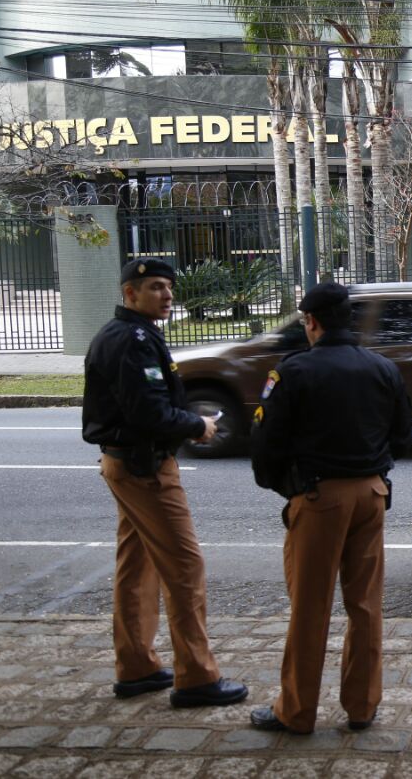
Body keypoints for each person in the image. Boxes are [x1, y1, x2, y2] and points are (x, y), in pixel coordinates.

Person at [82, 257, 249, 708]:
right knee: (184, 566)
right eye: (155, 287)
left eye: (169, 287)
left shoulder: (132, 335)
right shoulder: (132, 340)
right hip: (145, 469)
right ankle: (196, 677)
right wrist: (198, 426)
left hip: (128, 464)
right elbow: (148, 412)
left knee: (136, 566)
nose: (167, 295)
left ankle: (135, 667)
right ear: (129, 293)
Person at [248, 282, 412, 734]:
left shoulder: (293, 371)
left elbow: (266, 444)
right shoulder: (382, 368)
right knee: (365, 604)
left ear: (312, 322)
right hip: (371, 494)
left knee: (310, 606)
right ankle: (361, 706)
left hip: (319, 498)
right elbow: (402, 436)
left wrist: (288, 489)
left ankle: (296, 711)